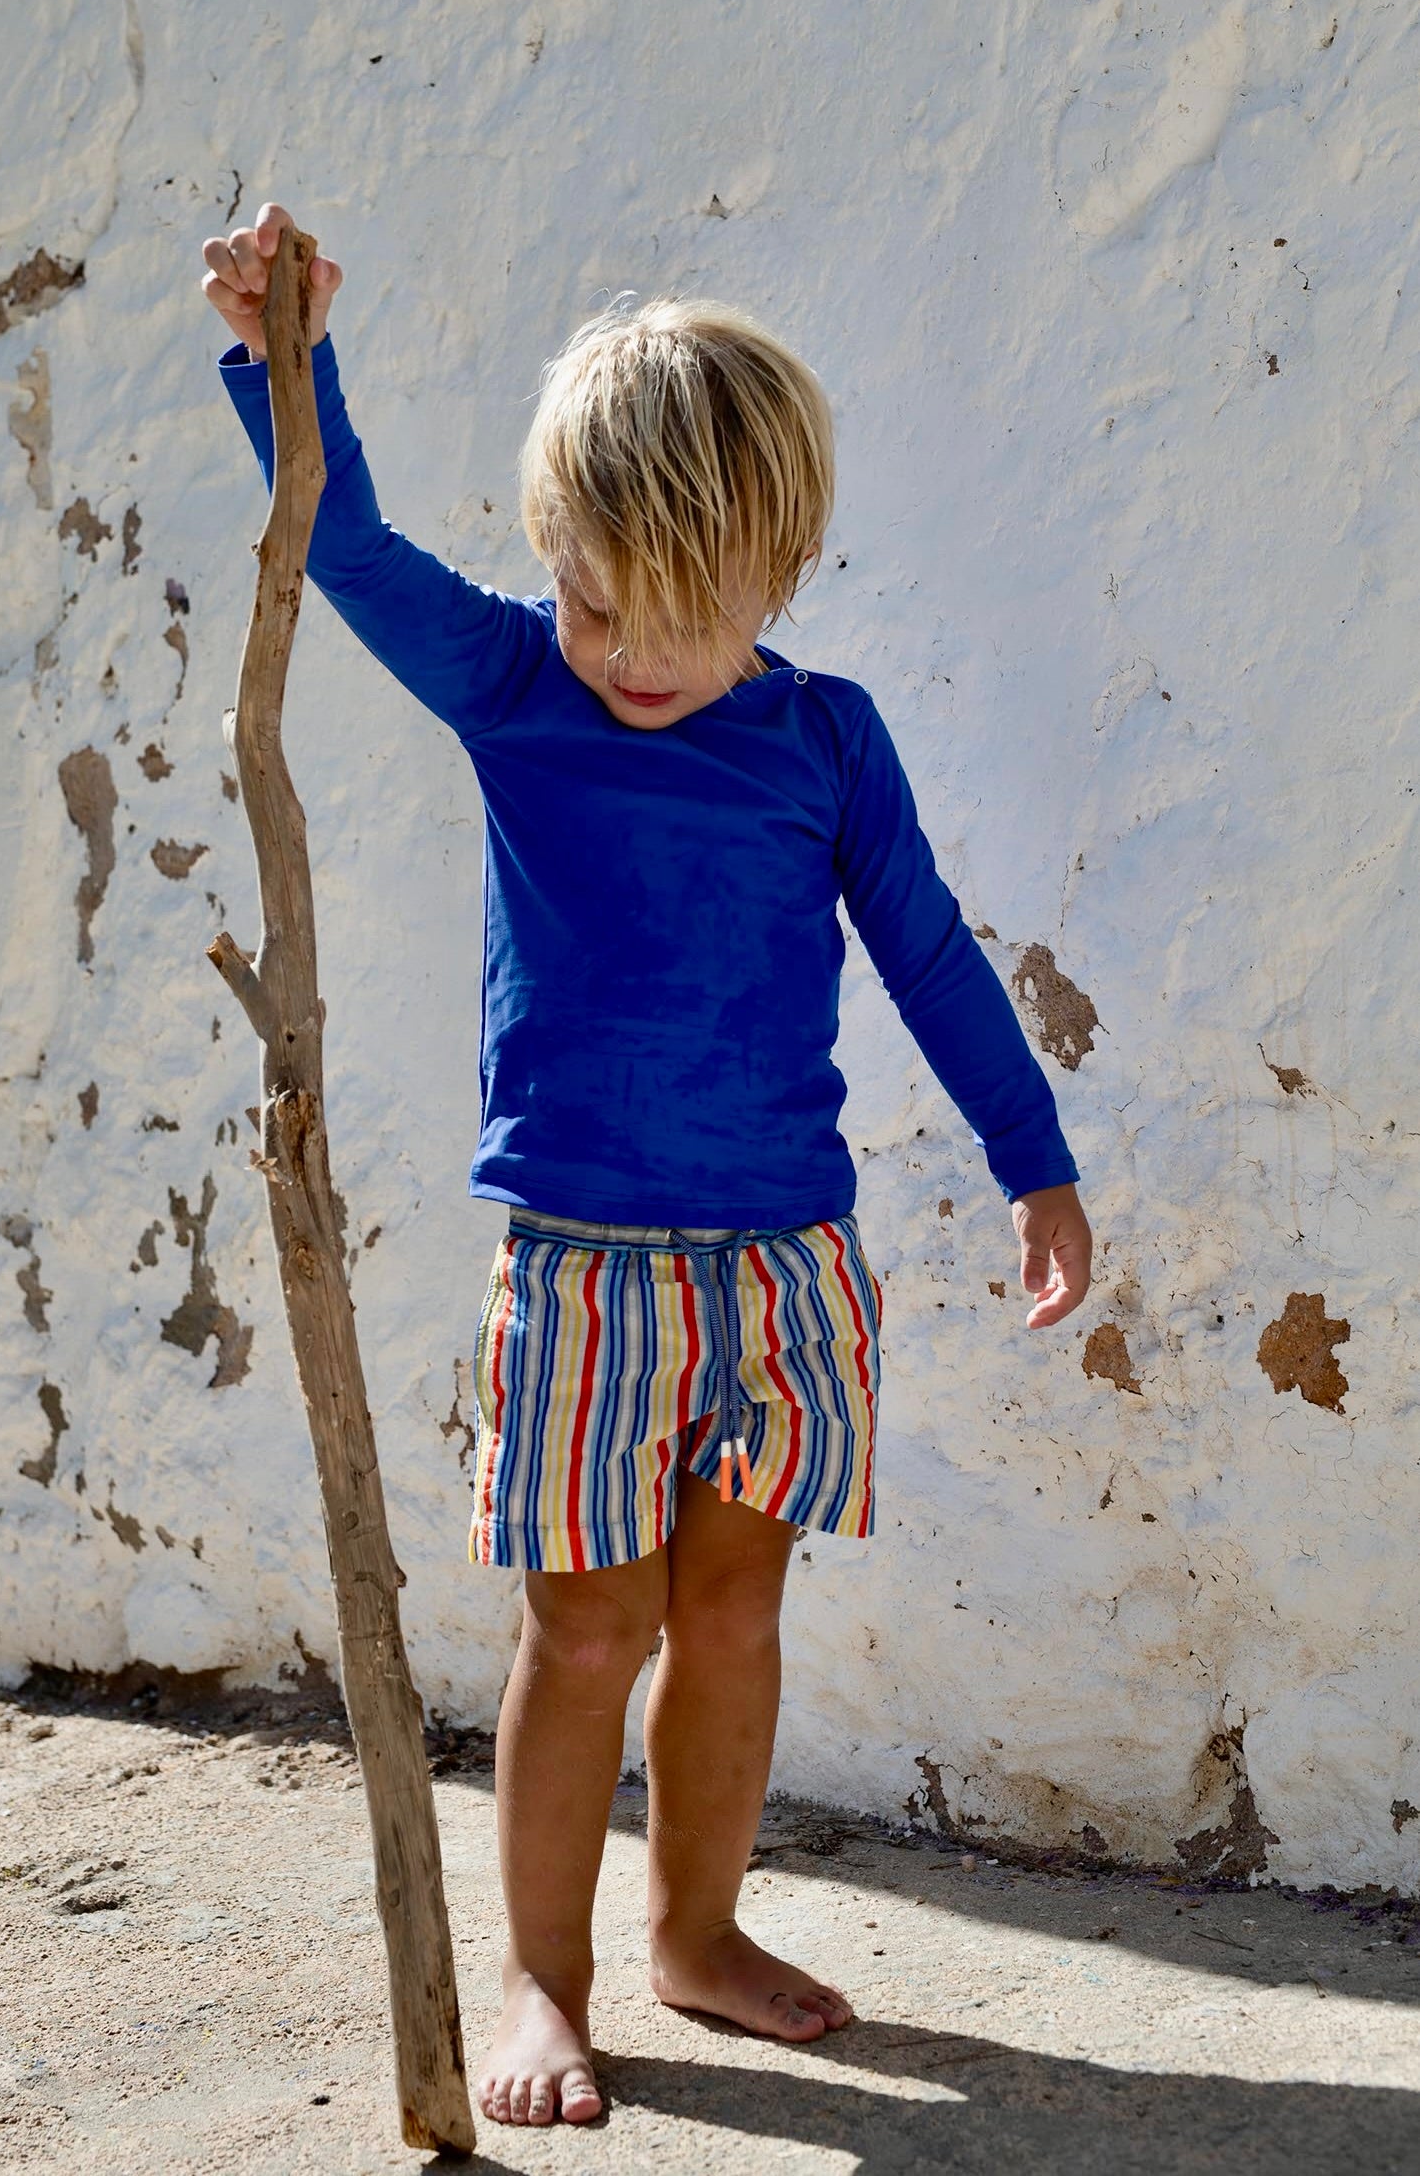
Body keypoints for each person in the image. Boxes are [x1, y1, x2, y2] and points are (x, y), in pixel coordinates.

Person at [201, 202, 1093, 2129]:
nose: (624, 650)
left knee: (735, 1617)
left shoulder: (825, 745)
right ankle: (544, 1974)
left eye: (675, 614)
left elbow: (926, 953)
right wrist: (286, 351)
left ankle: (697, 1932)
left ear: (777, 571)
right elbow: (337, 542)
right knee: (584, 1625)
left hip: (782, 1268)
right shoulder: (519, 688)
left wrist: (1035, 1161)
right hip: (588, 1270)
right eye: (592, 598)